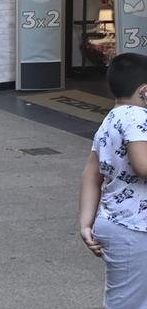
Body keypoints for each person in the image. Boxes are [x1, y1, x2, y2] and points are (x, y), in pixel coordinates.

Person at [79, 52, 147, 308]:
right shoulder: (137, 117)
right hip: (134, 229)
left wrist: (86, 223)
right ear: (145, 91)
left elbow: (91, 174)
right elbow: (143, 165)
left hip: (116, 221)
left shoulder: (112, 119)